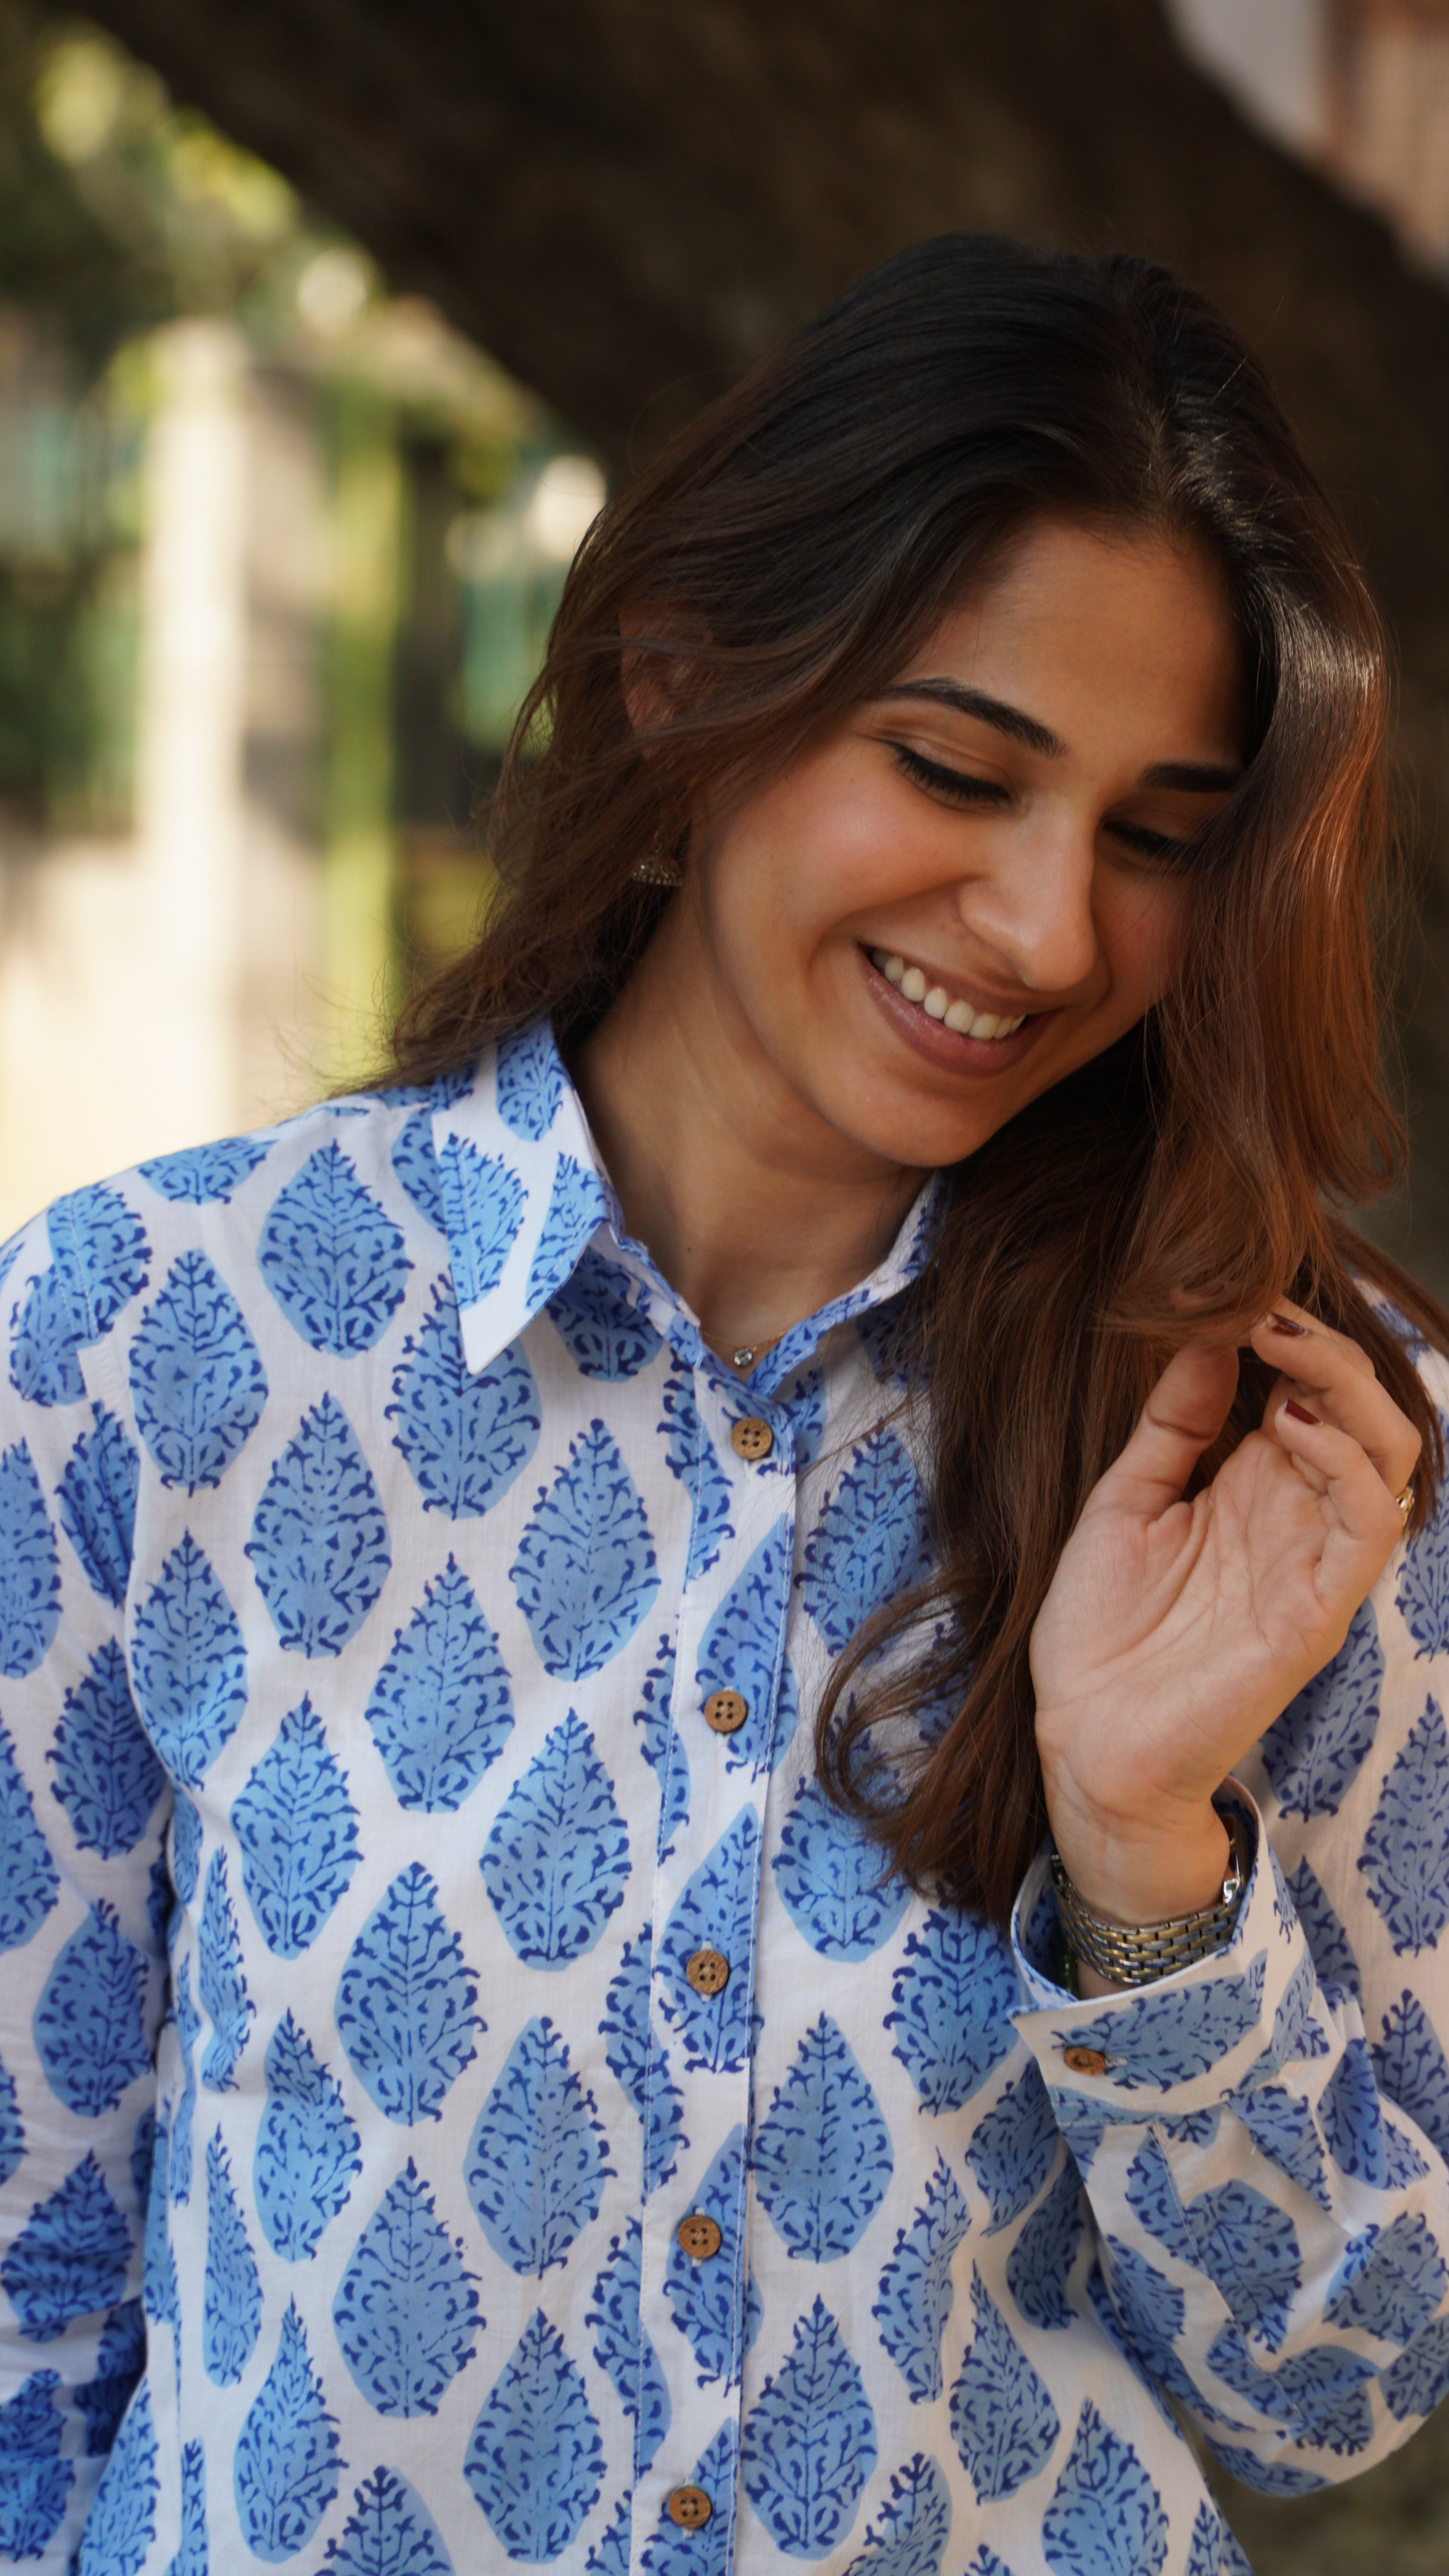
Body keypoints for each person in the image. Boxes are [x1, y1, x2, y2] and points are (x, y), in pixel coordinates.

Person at [2, 232, 1447, 2576]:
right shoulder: (155, 1345)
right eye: (957, 768)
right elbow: (19, 2301)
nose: (1047, 927)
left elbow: (1330, 2395)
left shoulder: (1293, 1474)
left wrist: (1142, 1848)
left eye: (1159, 838)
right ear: (682, 686)